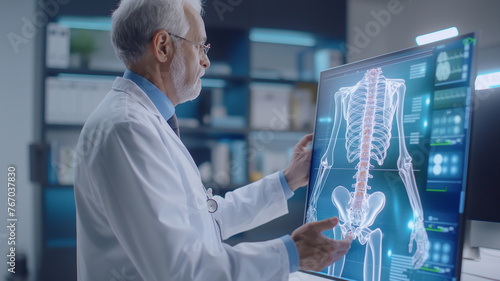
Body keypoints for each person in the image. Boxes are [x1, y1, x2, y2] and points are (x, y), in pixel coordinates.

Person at [74, 0, 353, 280]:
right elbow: (181, 269)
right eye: (200, 47)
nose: (206, 61)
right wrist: (289, 253)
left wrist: (288, 179)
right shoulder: (128, 128)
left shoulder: (143, 121)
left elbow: (207, 220)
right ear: (162, 47)